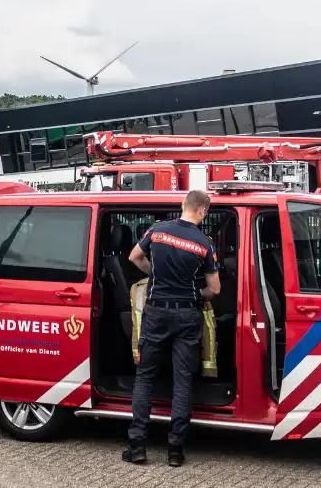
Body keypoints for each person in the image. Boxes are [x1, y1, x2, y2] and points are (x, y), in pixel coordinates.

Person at [122, 190, 220, 468]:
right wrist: (196, 293)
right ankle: (175, 450)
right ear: (203, 211)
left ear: (183, 205)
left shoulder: (157, 230)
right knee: (183, 380)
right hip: (187, 315)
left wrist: (156, 274)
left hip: (155, 313)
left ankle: (137, 445)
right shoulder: (204, 243)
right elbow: (214, 289)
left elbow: (134, 257)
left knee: (145, 378)